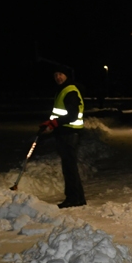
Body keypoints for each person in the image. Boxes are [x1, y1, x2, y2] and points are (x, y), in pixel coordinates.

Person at [39, 67, 86, 208]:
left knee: (69, 167)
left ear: (66, 75)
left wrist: (55, 123)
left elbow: (72, 115)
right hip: (64, 132)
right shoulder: (63, 90)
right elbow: (60, 113)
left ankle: (73, 198)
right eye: (56, 75)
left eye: (61, 74)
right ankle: (78, 198)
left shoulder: (70, 91)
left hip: (69, 133)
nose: (58, 77)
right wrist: (50, 123)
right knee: (69, 166)